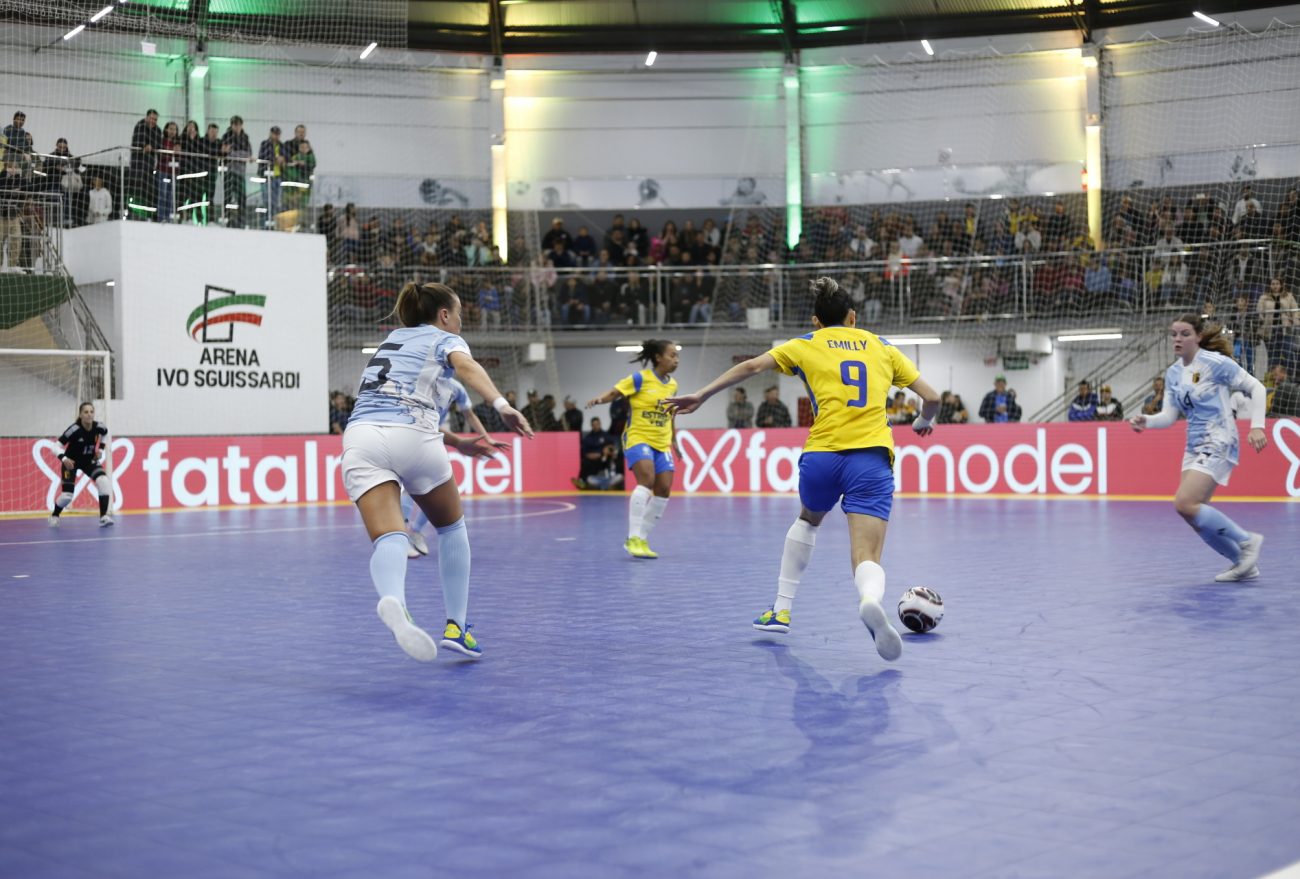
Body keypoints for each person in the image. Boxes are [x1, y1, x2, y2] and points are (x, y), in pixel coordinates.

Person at [666, 277, 941, 663]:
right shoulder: (881, 347)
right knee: (866, 555)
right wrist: (922, 422)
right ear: (853, 316)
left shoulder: (804, 345)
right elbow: (932, 398)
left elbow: (750, 366)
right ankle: (868, 600)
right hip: (871, 459)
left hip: (822, 457)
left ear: (816, 320)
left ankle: (780, 609)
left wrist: (701, 394)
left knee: (808, 520)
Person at [341, 282, 532, 662]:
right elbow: (467, 366)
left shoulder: (391, 340)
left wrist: (459, 442)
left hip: (360, 436)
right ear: (444, 315)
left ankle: (394, 601)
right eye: (458, 313)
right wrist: (501, 403)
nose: (460, 320)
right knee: (450, 527)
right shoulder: (443, 338)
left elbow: (392, 404)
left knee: (390, 538)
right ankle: (456, 628)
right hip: (415, 438)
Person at [1129, 313, 1267, 583]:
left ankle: (1247, 541)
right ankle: (1242, 563)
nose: (1177, 339)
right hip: (1193, 446)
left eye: (1184, 334)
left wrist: (1257, 426)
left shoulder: (1215, 364)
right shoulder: (1173, 373)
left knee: (1184, 502)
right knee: (1191, 512)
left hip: (1219, 439)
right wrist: (1147, 421)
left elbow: (1257, 388)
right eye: (1174, 334)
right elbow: (1169, 416)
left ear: (1198, 337)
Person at [586, 340, 682, 559]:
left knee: (664, 489)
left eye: (677, 357)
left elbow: (671, 413)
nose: (676, 360)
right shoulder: (640, 378)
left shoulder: (672, 385)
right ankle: (632, 538)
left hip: (661, 441)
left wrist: (674, 440)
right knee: (646, 480)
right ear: (658, 357)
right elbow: (615, 392)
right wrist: (600, 399)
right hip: (638, 438)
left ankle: (643, 538)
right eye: (672, 355)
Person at [48, 402, 114, 528]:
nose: (89, 415)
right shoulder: (74, 430)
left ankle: (104, 517)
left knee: (103, 481)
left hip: (89, 461)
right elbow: (55, 446)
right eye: (86, 412)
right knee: (67, 496)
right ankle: (55, 515)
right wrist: (64, 458)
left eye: (91, 412)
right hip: (71, 463)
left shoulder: (98, 426)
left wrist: (100, 450)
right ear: (80, 415)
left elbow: (106, 433)